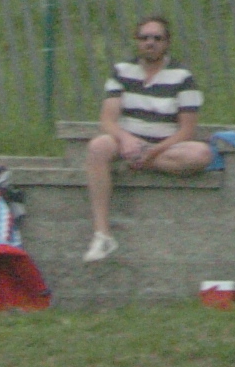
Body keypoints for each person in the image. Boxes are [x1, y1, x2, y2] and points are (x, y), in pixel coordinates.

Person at [83, 16, 214, 263]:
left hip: (164, 146)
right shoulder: (122, 71)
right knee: (97, 146)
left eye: (157, 38)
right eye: (144, 38)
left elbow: (187, 131)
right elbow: (107, 120)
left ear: (167, 42)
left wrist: (151, 153)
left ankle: (140, 163)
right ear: (137, 41)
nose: (150, 43)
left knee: (202, 154)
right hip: (127, 142)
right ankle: (102, 234)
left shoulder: (182, 77)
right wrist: (125, 139)